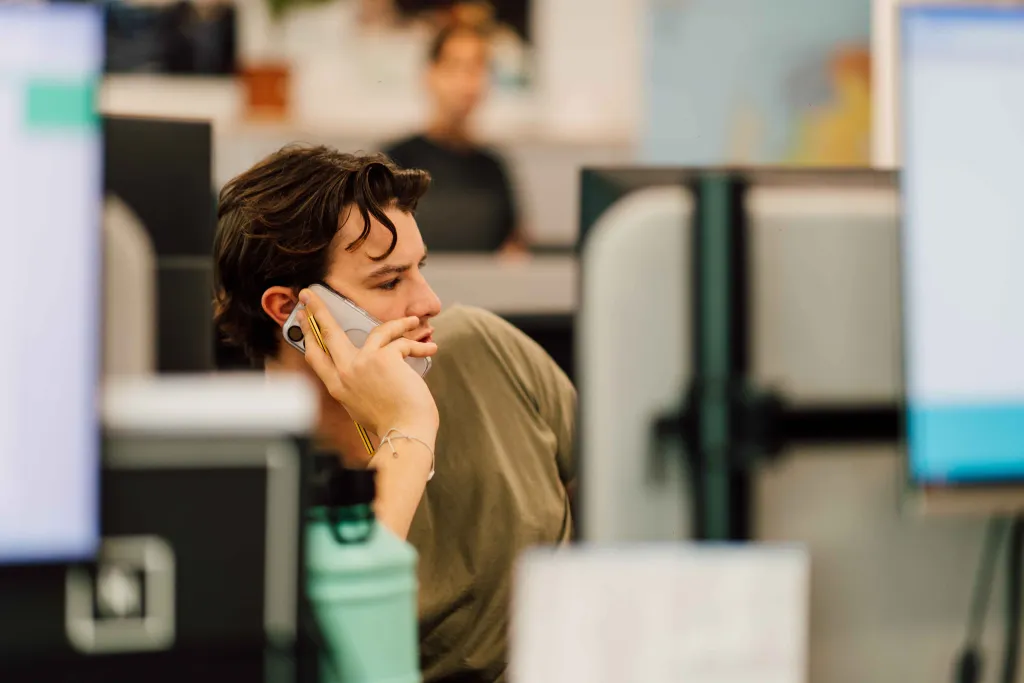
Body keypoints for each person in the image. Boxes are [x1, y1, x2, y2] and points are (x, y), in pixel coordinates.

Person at [213, 146, 574, 682]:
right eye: (388, 281)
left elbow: (628, 511)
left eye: (419, 269)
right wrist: (407, 430)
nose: (429, 302)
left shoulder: (483, 348)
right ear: (290, 311)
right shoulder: (256, 481)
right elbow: (341, 650)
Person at [383, 22, 526, 254]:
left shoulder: (493, 169)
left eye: (476, 68)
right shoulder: (394, 163)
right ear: (430, 74)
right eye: (455, 66)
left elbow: (513, 247)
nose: (465, 81)